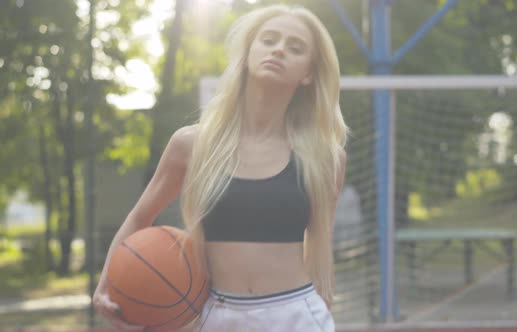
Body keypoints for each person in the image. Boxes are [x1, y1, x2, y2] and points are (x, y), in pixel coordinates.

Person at [93, 4, 348, 332]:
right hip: (220, 315)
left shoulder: (324, 158)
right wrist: (104, 287)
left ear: (308, 74)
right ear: (248, 52)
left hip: (296, 314)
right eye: (269, 39)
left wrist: (325, 299)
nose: (279, 49)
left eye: (295, 47)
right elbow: (140, 217)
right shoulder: (192, 145)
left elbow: (319, 243)